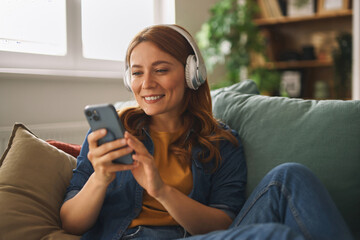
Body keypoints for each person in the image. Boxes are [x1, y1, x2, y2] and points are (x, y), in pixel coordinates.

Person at [60, 24, 353, 240]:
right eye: (137, 72)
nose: (146, 83)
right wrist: (100, 178)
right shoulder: (110, 136)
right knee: (273, 236)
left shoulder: (220, 142)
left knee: (291, 175)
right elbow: (70, 224)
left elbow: (224, 224)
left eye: (161, 70)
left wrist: (160, 190)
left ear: (192, 74)